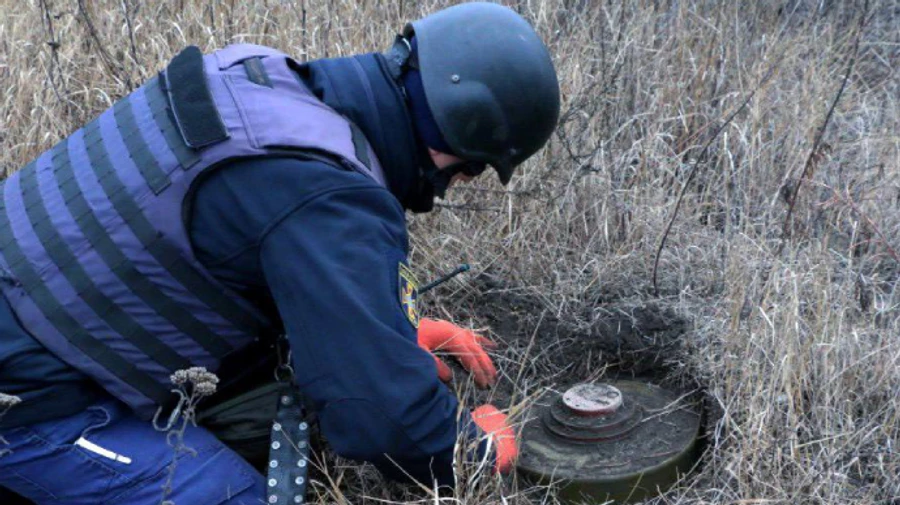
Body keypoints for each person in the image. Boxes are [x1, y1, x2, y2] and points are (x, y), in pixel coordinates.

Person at [0, 2, 560, 504]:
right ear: (460, 133)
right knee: (230, 495)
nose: (456, 186)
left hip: (29, 310)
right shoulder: (328, 198)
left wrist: (390, 330)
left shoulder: (258, 79)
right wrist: (471, 450)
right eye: (471, 169)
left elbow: (240, 250)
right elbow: (383, 419)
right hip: (25, 395)